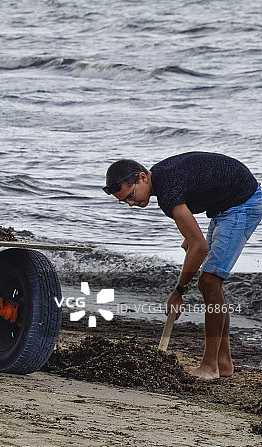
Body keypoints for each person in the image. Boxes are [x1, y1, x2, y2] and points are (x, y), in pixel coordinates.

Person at [103, 152, 262, 380]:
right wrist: (191, 237)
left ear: (142, 177)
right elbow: (196, 188)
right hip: (224, 204)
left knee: (209, 282)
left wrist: (178, 292)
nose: (131, 203)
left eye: (130, 195)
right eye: (125, 201)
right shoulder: (160, 178)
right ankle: (223, 363)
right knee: (210, 285)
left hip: (242, 205)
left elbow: (199, 248)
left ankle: (209, 367)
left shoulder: (167, 191)